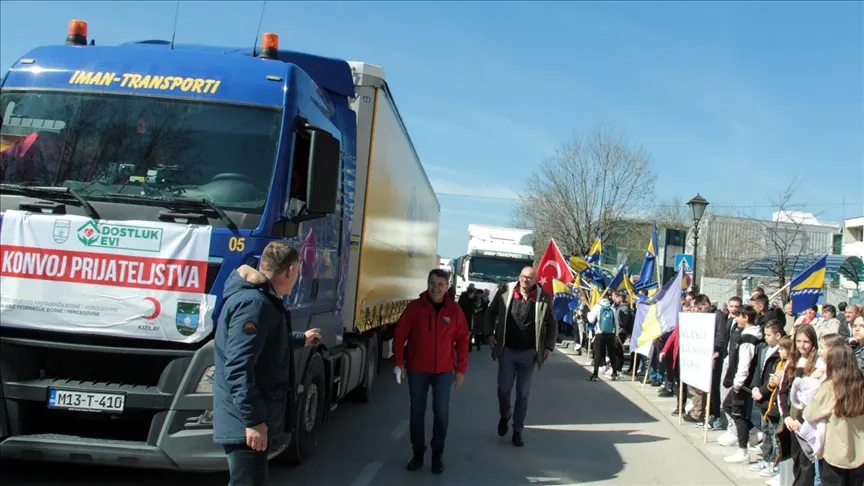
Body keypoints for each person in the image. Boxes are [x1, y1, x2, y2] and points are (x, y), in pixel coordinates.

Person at [213, 242, 322, 486]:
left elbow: (265, 343)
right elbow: (239, 367)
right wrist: (253, 421)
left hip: (244, 418)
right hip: (243, 422)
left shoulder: (260, 299)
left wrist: (300, 340)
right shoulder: (255, 304)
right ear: (290, 270)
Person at [393, 269, 470, 475]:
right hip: (418, 369)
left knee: (441, 412)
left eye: (440, 284)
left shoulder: (454, 311)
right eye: (432, 283)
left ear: (447, 287)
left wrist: (460, 369)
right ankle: (418, 453)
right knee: (417, 412)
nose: (435, 288)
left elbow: (463, 340)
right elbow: (400, 335)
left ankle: (438, 453)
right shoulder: (415, 308)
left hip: (444, 371)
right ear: (427, 284)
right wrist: (399, 362)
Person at [485, 266, 557, 447]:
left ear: (535, 280)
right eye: (523, 277)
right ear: (519, 277)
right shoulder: (505, 291)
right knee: (503, 388)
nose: (526, 280)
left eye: (530, 278)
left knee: (523, 394)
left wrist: (548, 346)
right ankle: (504, 415)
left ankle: (517, 430)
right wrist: (489, 334)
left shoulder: (543, 297)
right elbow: (490, 313)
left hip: (529, 353)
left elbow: (552, 323)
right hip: (507, 350)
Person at [802, 342, 864, 485]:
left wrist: (813, 380)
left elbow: (809, 413)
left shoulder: (831, 387)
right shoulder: (860, 386)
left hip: (834, 455)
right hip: (860, 455)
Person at [722, 304, 764, 464]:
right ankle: (753, 432)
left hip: (744, 383)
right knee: (728, 406)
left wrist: (738, 382)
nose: (735, 318)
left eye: (738, 315)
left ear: (746, 318)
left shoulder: (748, 338)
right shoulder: (747, 334)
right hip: (741, 382)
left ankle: (743, 450)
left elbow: (744, 363)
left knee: (738, 413)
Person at [586, 296, 621, 381]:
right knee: (612, 354)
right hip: (611, 334)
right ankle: (614, 373)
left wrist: (589, 314)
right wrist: (616, 335)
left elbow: (591, 320)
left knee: (598, 353)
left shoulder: (597, 307)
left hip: (600, 333)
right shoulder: (612, 308)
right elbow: (616, 323)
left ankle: (595, 374)